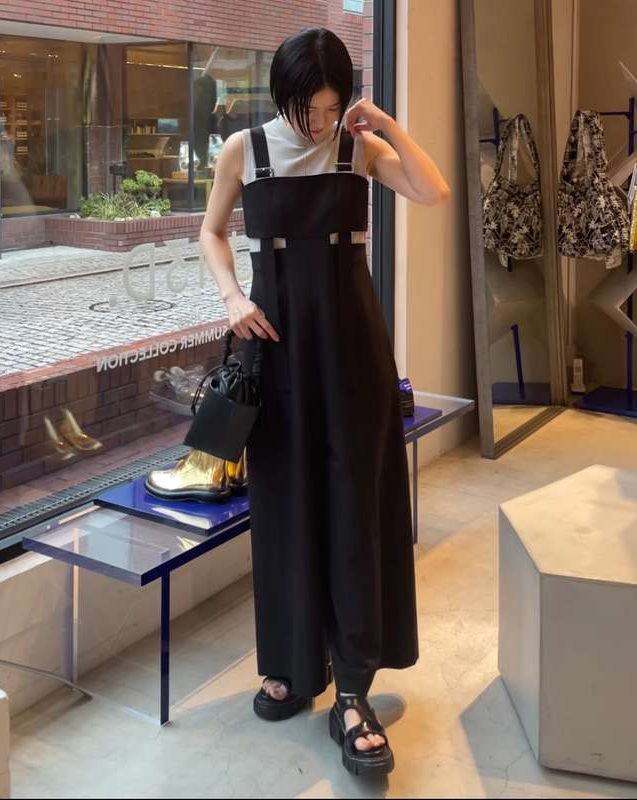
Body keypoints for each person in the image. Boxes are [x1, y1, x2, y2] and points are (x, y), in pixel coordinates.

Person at [199, 26, 449, 777]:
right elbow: (211, 233)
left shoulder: (356, 148)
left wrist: (387, 125)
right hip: (275, 348)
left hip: (353, 352)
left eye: (331, 108)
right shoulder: (245, 150)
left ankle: (354, 688)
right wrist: (232, 297)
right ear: (283, 95)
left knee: (353, 503)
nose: (318, 123)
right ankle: (290, 663)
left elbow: (431, 190)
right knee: (282, 503)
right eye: (307, 108)